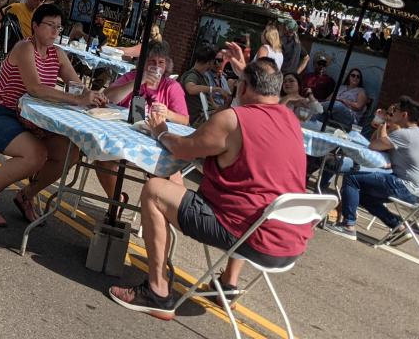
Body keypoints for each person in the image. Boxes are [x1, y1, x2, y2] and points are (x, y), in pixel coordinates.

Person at [108, 56, 311, 319]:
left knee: (154, 190)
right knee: (253, 201)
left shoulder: (233, 119)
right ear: (277, 88)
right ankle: (227, 285)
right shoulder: (291, 122)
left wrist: (160, 131)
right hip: (288, 243)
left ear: (243, 88)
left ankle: (157, 291)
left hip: (247, 235)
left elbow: (182, 149)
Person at [0, 3, 106, 226]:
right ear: (35, 26)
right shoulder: (25, 48)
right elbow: (35, 88)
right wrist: (77, 99)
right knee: (35, 155)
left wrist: (93, 95)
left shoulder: (57, 54)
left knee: (70, 153)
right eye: (50, 25)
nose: (54, 32)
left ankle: (26, 195)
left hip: (32, 121)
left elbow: (77, 85)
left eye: (59, 28)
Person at [326, 96, 419, 241]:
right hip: (416, 191)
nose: (393, 113)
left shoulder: (404, 134)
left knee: (352, 178)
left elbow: (373, 146)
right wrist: (385, 124)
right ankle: (398, 226)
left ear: (404, 115)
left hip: (405, 187)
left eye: (396, 111)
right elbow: (377, 143)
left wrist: (384, 122)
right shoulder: (415, 133)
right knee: (363, 195)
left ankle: (348, 226)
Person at [96, 41, 188, 201]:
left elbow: (185, 120)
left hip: (155, 144)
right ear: (143, 63)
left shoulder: (171, 86)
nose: (156, 66)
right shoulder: (132, 77)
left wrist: (169, 114)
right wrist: (138, 81)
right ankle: (116, 202)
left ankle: (163, 212)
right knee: (102, 157)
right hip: (124, 141)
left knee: (168, 171)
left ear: (166, 65)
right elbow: (108, 97)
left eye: (161, 62)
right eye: (152, 62)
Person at [180, 44, 227, 125]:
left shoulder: (204, 77)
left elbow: (213, 105)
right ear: (210, 62)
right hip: (198, 119)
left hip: (207, 116)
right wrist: (215, 89)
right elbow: (190, 89)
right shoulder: (192, 75)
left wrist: (225, 108)